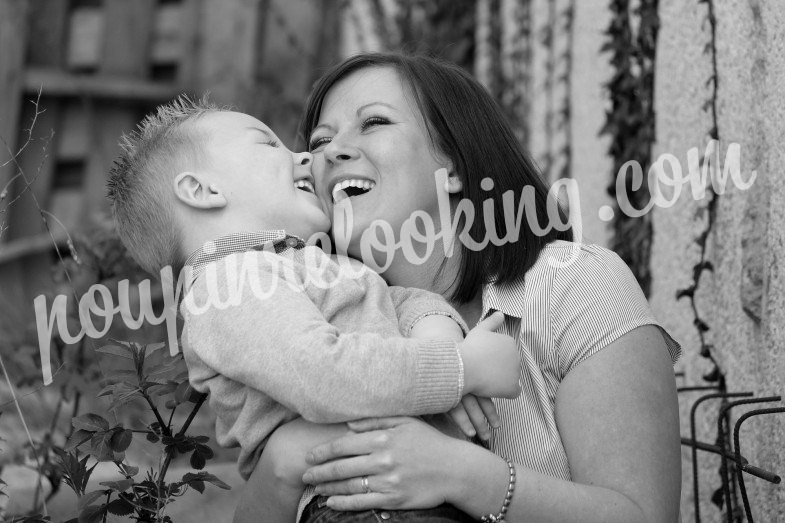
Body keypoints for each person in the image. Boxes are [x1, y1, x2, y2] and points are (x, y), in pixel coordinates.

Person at [265, 52, 682, 522]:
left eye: (373, 122)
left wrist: (463, 475)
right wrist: (282, 462)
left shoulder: (575, 285)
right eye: (320, 140)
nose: (333, 151)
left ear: (455, 164)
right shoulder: (315, 337)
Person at [106, 97, 522, 523]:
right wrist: (458, 369)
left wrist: (437, 331)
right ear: (203, 191)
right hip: (356, 501)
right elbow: (322, 373)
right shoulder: (230, 283)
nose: (305, 156)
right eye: (269, 145)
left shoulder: (307, 267)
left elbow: (399, 302)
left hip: (401, 484)